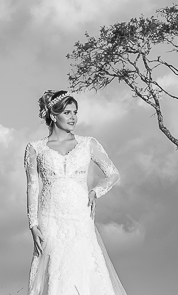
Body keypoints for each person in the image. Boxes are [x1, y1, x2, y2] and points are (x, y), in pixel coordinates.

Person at [24, 90, 129, 295]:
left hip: (79, 215)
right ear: (54, 115)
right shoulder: (35, 148)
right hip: (50, 218)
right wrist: (33, 225)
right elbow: (32, 187)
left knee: (83, 265)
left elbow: (113, 174)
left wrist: (96, 191)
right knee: (53, 270)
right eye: (68, 112)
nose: (73, 117)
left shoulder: (88, 143)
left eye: (75, 112)